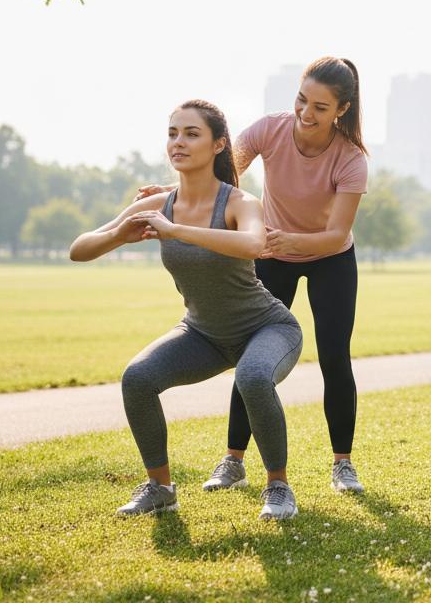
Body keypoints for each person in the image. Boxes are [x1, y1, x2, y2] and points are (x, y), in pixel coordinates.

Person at [138, 57, 369, 494]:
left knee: (334, 356)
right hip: (270, 249)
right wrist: (170, 192)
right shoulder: (269, 129)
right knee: (249, 354)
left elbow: (336, 233)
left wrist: (286, 241)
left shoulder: (351, 158)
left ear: (341, 109)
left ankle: (343, 463)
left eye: (320, 107)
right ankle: (233, 460)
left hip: (329, 257)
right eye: (302, 100)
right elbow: (219, 173)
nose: (306, 113)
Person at [71, 100, 304, 519]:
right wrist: (119, 236)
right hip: (203, 335)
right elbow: (79, 249)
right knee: (137, 378)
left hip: (267, 329)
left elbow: (254, 244)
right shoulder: (157, 204)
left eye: (191, 134)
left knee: (252, 378)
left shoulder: (239, 202)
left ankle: (279, 487)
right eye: (173, 133)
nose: (178, 142)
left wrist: (176, 230)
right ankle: (160, 488)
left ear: (218, 145)